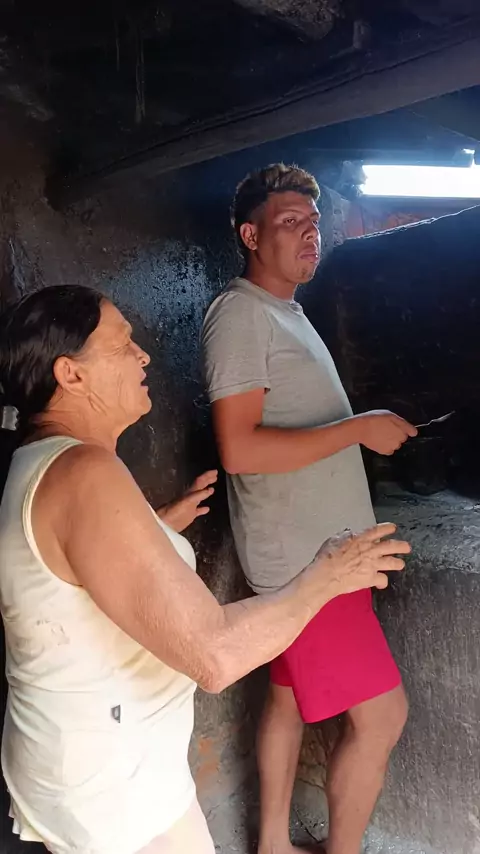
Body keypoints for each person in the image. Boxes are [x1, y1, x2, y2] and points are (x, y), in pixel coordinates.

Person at [0, 285, 410, 854]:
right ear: (71, 375)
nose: (143, 356)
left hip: (95, 767)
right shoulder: (84, 472)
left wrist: (156, 527)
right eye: (122, 345)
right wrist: (329, 575)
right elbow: (215, 657)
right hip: (112, 793)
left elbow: (68, 564)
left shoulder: (43, 463)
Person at [201, 163, 418, 854]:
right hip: (308, 562)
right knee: (382, 717)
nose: (308, 234)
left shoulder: (284, 313)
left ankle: (272, 843)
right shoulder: (240, 314)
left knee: (288, 698)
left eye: (314, 222)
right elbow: (238, 449)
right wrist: (358, 429)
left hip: (318, 553)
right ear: (250, 235)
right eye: (290, 221)